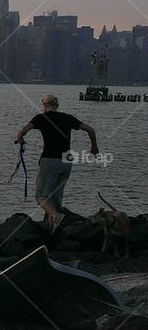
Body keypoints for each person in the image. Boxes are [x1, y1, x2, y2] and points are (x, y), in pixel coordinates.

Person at [15, 94, 98, 231]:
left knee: (41, 196)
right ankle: (52, 227)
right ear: (56, 105)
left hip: (50, 159)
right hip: (67, 159)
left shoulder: (40, 118)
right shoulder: (68, 118)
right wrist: (94, 147)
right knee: (55, 196)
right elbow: (90, 130)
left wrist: (21, 139)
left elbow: (22, 131)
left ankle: (56, 216)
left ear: (44, 105)